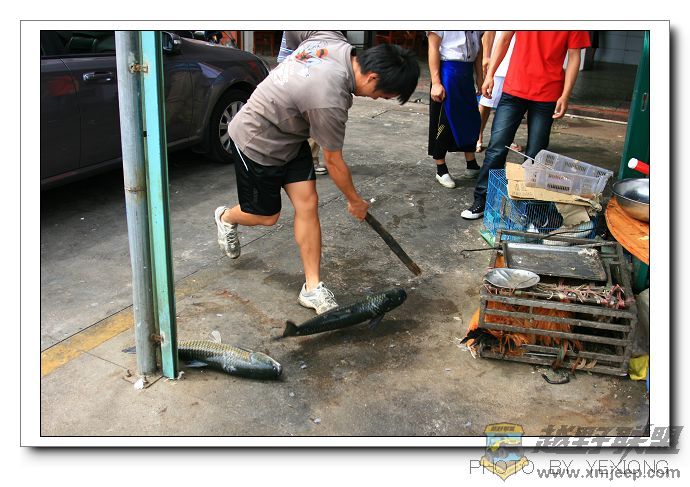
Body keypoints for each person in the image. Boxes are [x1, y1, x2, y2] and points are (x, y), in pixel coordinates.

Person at [214, 31, 420, 314]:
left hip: (291, 136)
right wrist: (355, 201)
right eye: (382, 95)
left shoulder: (330, 36)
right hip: (256, 140)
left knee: (308, 204)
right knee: (266, 216)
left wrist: (291, 75)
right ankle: (226, 217)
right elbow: (333, 162)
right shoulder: (329, 98)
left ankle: (312, 287)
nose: (376, 99)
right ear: (372, 77)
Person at [461, 30, 591, 220]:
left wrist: (565, 95)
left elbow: (574, 57)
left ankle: (529, 210)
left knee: (535, 156)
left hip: (548, 93)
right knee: (497, 148)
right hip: (514, 89)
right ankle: (481, 200)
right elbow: (504, 39)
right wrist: (490, 75)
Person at [427, 31, 484, 189]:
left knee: (470, 119)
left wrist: (480, 77)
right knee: (445, 121)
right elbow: (433, 47)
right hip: (448, 72)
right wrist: (436, 82)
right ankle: (441, 169)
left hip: (466, 72)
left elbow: (479, 49)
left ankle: (471, 164)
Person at [476, 31, 521, 153]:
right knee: (486, 101)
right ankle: (477, 135)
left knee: (515, 103)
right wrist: (486, 55)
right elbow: (489, 30)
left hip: (520, 60)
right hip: (499, 58)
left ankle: (506, 138)